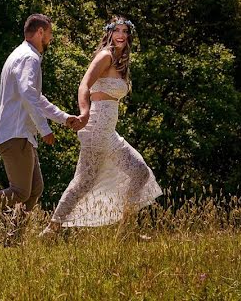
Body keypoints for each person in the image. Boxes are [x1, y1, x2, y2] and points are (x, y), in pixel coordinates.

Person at [0, 13, 80, 244]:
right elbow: (29, 95)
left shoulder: (21, 55)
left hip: (20, 133)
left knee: (35, 188)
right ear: (40, 32)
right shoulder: (29, 57)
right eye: (49, 33)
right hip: (15, 133)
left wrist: (64, 118)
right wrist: (44, 128)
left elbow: (36, 97)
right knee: (20, 191)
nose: (50, 38)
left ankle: (13, 240)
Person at [39, 16, 162, 237]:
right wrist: (84, 112)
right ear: (110, 33)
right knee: (84, 181)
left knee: (139, 172)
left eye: (125, 31)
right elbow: (84, 85)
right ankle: (52, 229)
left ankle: (126, 231)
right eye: (117, 31)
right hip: (95, 127)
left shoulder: (120, 61)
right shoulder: (105, 56)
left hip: (109, 133)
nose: (121, 35)